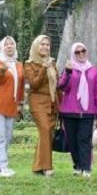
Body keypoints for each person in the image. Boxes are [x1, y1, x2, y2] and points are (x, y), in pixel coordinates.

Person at [57, 42, 97, 177]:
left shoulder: (93, 70)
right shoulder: (69, 68)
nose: (81, 54)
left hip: (87, 112)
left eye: (83, 51)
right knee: (72, 141)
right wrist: (67, 71)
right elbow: (62, 86)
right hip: (69, 111)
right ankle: (77, 165)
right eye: (77, 52)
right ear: (73, 54)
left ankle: (86, 167)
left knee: (84, 139)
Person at [0, 35, 24, 177]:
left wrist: (20, 103)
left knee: (7, 137)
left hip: (12, 106)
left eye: (11, 44)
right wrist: (2, 70)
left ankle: (2, 165)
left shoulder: (19, 65)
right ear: (2, 47)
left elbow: (20, 87)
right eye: (6, 44)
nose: (9, 46)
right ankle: (2, 167)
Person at [24, 34, 58, 176]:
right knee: (44, 131)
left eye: (47, 45)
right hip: (38, 102)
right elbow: (34, 84)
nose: (45, 47)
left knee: (48, 134)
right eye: (42, 44)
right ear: (36, 46)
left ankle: (38, 167)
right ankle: (47, 167)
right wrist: (44, 68)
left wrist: (59, 105)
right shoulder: (29, 64)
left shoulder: (52, 63)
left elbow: (57, 85)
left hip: (51, 103)